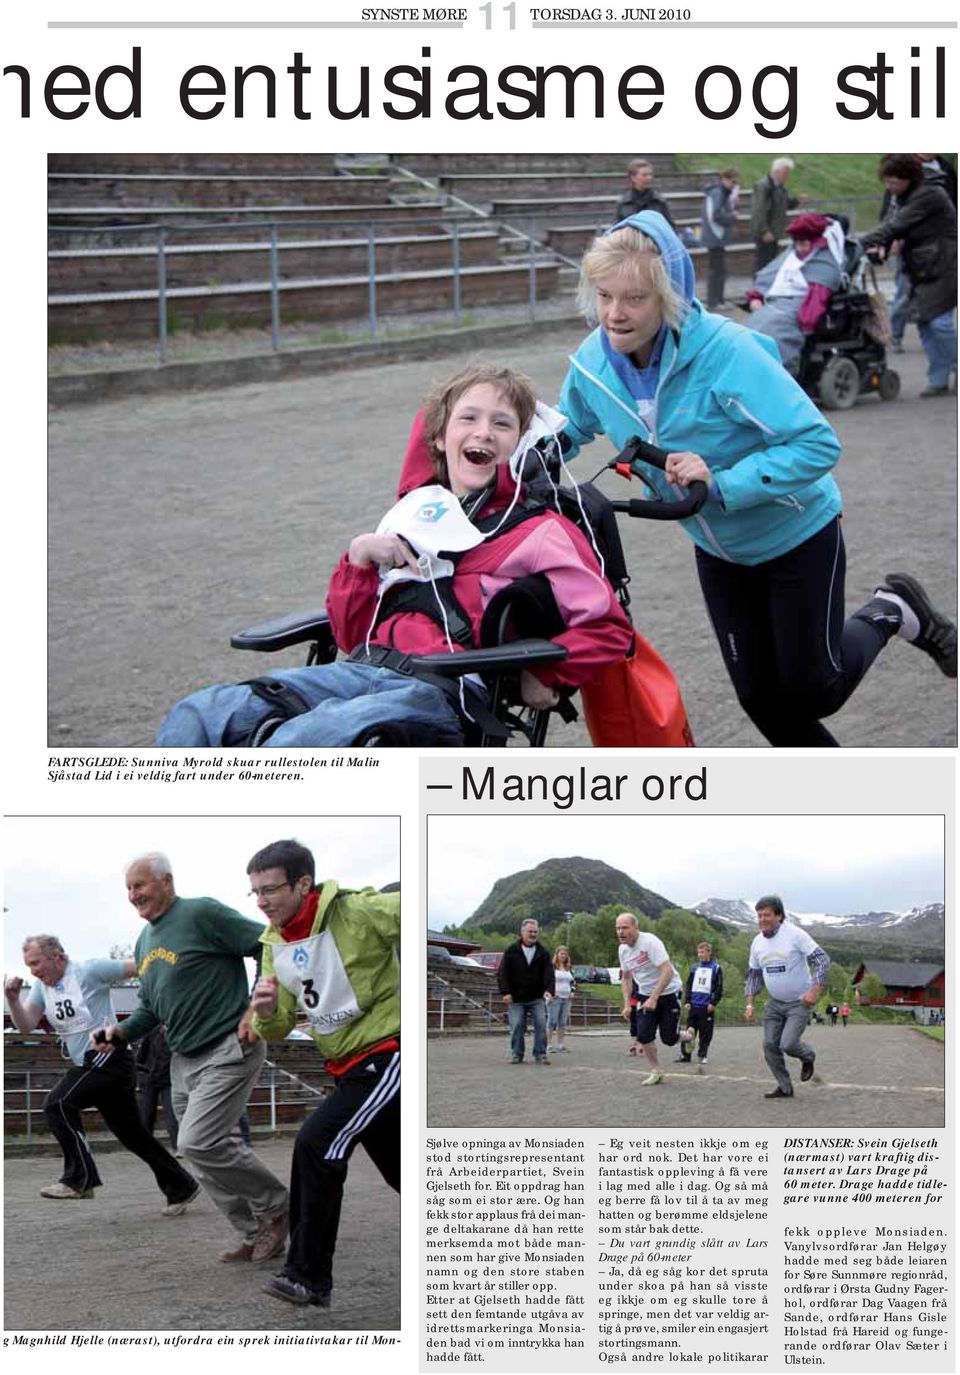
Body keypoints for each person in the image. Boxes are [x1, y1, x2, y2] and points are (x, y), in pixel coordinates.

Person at [557, 211, 957, 745]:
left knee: (814, 690)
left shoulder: (728, 352)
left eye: (634, 298)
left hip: (795, 536)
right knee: (762, 701)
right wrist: (503, 461)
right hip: (719, 552)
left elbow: (818, 443)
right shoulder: (592, 365)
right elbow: (566, 428)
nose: (614, 313)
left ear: (669, 294)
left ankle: (891, 608)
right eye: (604, 296)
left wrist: (720, 482)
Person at [156, 365, 632, 748]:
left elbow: (610, 629)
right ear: (441, 437)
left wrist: (545, 671)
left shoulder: (542, 532)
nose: (483, 432)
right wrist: (359, 559)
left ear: (521, 443)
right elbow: (348, 635)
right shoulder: (413, 516)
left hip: (441, 691)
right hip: (359, 671)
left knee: (306, 740)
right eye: (468, 418)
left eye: (502, 423)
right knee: (201, 715)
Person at [92, 852, 289, 1263]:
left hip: (227, 1046)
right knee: (199, 1154)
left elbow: (268, 943)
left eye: (139, 885)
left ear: (166, 881)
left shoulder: (202, 913)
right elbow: (151, 1006)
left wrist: (256, 1007)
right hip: (183, 1060)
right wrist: (122, 1032)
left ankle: (277, 1207)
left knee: (197, 1141)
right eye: (128, 888)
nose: (132, 895)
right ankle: (254, 1232)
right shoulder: (145, 941)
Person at [247, 839, 400, 1308]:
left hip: (389, 1052)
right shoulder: (273, 943)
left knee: (316, 1143)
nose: (262, 901)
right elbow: (274, 1028)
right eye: (254, 892)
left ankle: (308, 1277)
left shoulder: (357, 910)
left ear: (303, 883)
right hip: (344, 1065)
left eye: (270, 890)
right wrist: (267, 1011)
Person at [4, 935, 197, 1210]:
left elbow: (141, 965)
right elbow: (26, 1024)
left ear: (57, 958)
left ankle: (78, 1180)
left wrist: (169, 982)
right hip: (91, 1064)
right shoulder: (40, 988)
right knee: (133, 1134)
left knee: (57, 1103)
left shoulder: (89, 970)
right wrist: (12, 999)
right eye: (28, 965)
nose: (32, 970)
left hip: (110, 1057)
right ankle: (181, 1186)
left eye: (36, 963)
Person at [860, 154, 957, 399]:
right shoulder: (902, 194)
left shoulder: (929, 194)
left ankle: (953, 368)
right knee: (925, 322)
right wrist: (882, 246)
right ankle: (938, 379)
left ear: (909, 178)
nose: (889, 188)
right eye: (887, 182)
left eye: (894, 182)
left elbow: (897, 224)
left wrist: (857, 243)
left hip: (945, 262)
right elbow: (892, 224)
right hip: (920, 264)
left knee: (939, 323)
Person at [744, 896, 830, 1100]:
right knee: (769, 1045)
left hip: (798, 1002)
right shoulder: (757, 943)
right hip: (774, 1003)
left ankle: (808, 1056)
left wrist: (814, 991)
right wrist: (749, 1004)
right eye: (759, 915)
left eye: (767, 915)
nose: (762, 919)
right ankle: (784, 1087)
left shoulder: (795, 935)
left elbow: (822, 960)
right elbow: (753, 975)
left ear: (779, 916)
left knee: (788, 1044)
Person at [746, 213, 845, 371]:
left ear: (815, 242)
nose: (799, 248)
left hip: (796, 309)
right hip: (774, 305)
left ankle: (778, 372)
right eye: (796, 243)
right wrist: (755, 296)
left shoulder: (824, 263)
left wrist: (806, 323)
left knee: (776, 333)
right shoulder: (792, 254)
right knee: (751, 329)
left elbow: (816, 300)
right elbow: (770, 274)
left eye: (804, 244)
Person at [616, 912, 691, 1086]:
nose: (621, 932)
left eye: (625, 928)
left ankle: (688, 1036)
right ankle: (656, 1070)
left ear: (636, 928)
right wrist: (627, 1004)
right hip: (644, 994)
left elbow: (667, 970)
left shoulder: (650, 942)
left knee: (669, 1038)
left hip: (669, 992)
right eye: (618, 928)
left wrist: (654, 997)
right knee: (643, 1034)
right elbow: (626, 978)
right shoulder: (623, 950)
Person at [498, 919, 555, 1065]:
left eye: (535, 932)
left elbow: (549, 974)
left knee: (541, 1024)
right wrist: (505, 992)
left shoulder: (543, 952)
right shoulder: (511, 951)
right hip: (516, 998)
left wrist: (549, 991)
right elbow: (502, 973)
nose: (533, 934)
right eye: (530, 931)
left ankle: (540, 1053)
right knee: (516, 1025)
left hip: (537, 997)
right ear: (522, 932)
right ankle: (517, 1054)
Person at [750, 156, 805, 272]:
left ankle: (767, 289)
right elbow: (758, 210)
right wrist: (764, 231)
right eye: (785, 173)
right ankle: (759, 289)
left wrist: (797, 200)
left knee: (770, 264)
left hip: (774, 233)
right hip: (765, 234)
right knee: (762, 264)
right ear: (776, 172)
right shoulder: (763, 186)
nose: (787, 176)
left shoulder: (780, 188)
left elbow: (784, 205)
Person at [677, 941, 723, 1066]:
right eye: (698, 952)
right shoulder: (694, 967)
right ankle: (685, 1055)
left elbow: (719, 987)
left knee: (705, 1033)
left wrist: (713, 1003)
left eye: (702, 952)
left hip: (706, 1007)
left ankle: (702, 1055)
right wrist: (687, 1000)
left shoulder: (716, 968)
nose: (700, 955)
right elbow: (689, 984)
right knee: (689, 1031)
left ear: (709, 952)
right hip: (694, 1005)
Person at [700, 166, 740, 308]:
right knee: (717, 270)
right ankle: (714, 301)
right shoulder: (718, 193)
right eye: (732, 182)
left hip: (717, 237)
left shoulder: (723, 193)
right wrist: (731, 216)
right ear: (724, 179)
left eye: (736, 182)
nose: (734, 185)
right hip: (715, 236)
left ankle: (718, 299)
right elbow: (716, 216)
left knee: (719, 269)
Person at [136, 1023, 179, 1151]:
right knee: (146, 1113)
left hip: (168, 1079)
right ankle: (145, 1145)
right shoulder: (152, 1032)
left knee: (172, 1114)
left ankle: (176, 1146)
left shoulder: (177, 1034)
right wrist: (140, 1071)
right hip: (150, 1078)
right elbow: (142, 1054)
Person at [616, 157, 675, 227]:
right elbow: (616, 230)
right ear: (633, 177)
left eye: (650, 174)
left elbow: (670, 228)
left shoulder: (659, 202)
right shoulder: (623, 203)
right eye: (644, 175)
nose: (649, 178)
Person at [547, 946, 575, 1053]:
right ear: (557, 955)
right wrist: (550, 993)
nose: (563, 956)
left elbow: (573, 982)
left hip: (566, 997)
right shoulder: (552, 967)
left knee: (562, 1022)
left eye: (565, 954)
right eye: (561, 954)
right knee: (552, 1021)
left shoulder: (569, 968)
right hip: (555, 997)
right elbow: (547, 980)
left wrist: (572, 992)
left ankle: (560, 1044)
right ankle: (548, 1044)